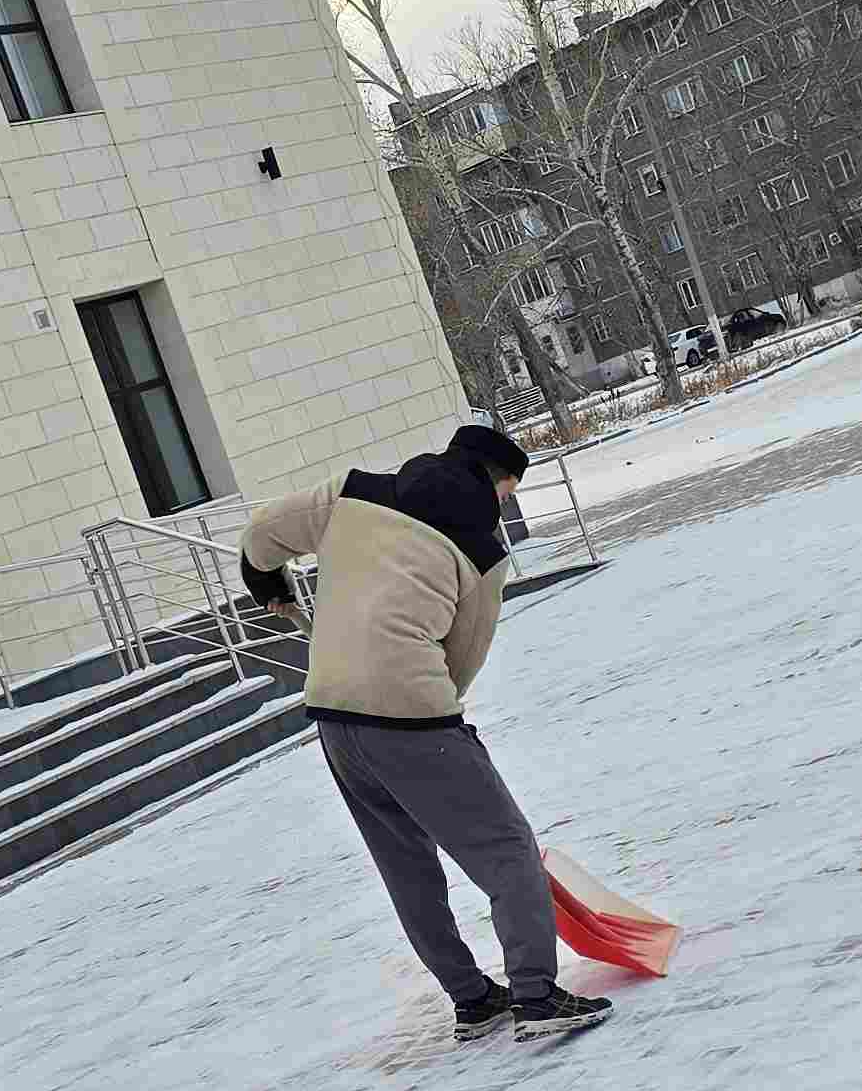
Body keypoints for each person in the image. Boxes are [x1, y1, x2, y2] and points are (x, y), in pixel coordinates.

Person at [239, 422, 612, 1043]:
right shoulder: (483, 553)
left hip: (332, 716)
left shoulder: (353, 493)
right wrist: (437, 716)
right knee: (507, 849)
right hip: (413, 719)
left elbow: (260, 537)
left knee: (407, 868)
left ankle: (471, 999)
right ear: (498, 483)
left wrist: (265, 581)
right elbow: (461, 658)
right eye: (509, 492)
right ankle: (536, 995)